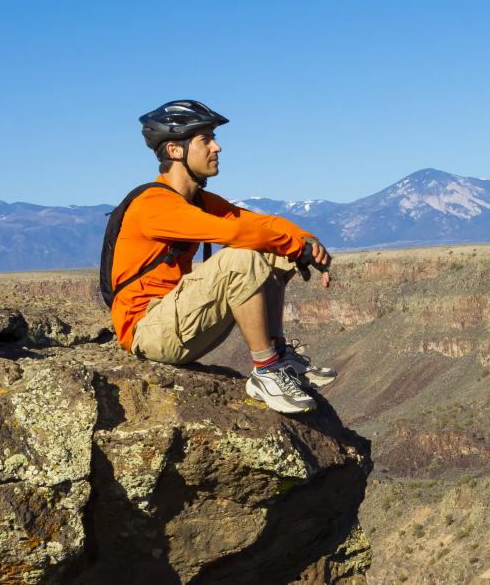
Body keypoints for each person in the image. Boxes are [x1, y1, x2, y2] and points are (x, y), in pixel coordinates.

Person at [105, 99, 337, 413]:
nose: (217, 147)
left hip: (177, 322)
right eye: (206, 140)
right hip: (148, 333)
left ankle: (280, 357)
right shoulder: (153, 205)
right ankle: (266, 370)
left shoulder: (197, 201)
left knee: (272, 252)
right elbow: (237, 235)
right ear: (175, 150)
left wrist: (306, 240)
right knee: (242, 257)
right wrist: (296, 246)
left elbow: (257, 222)